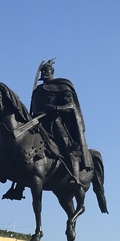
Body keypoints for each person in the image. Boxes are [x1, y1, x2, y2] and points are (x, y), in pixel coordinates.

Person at [29, 59, 92, 188]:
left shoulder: (62, 86)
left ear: (52, 72)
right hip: (37, 124)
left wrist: (56, 108)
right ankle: (17, 186)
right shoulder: (38, 91)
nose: (45, 73)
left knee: (67, 146)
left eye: (47, 70)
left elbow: (71, 105)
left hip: (54, 123)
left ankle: (75, 177)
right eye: (43, 71)